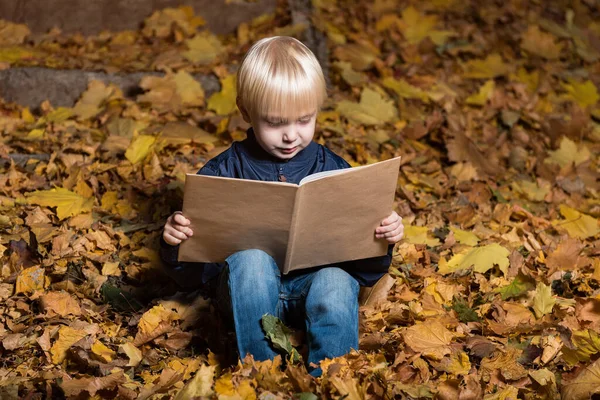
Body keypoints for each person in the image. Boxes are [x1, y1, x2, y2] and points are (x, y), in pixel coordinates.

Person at [159, 36, 404, 376]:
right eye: (275, 123)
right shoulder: (222, 173)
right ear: (246, 111)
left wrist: (382, 238)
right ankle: (260, 375)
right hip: (249, 298)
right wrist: (176, 242)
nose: (291, 135)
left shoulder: (335, 169)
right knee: (252, 261)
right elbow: (192, 275)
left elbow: (366, 271)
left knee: (335, 279)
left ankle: (336, 378)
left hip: (312, 289)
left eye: (304, 120)